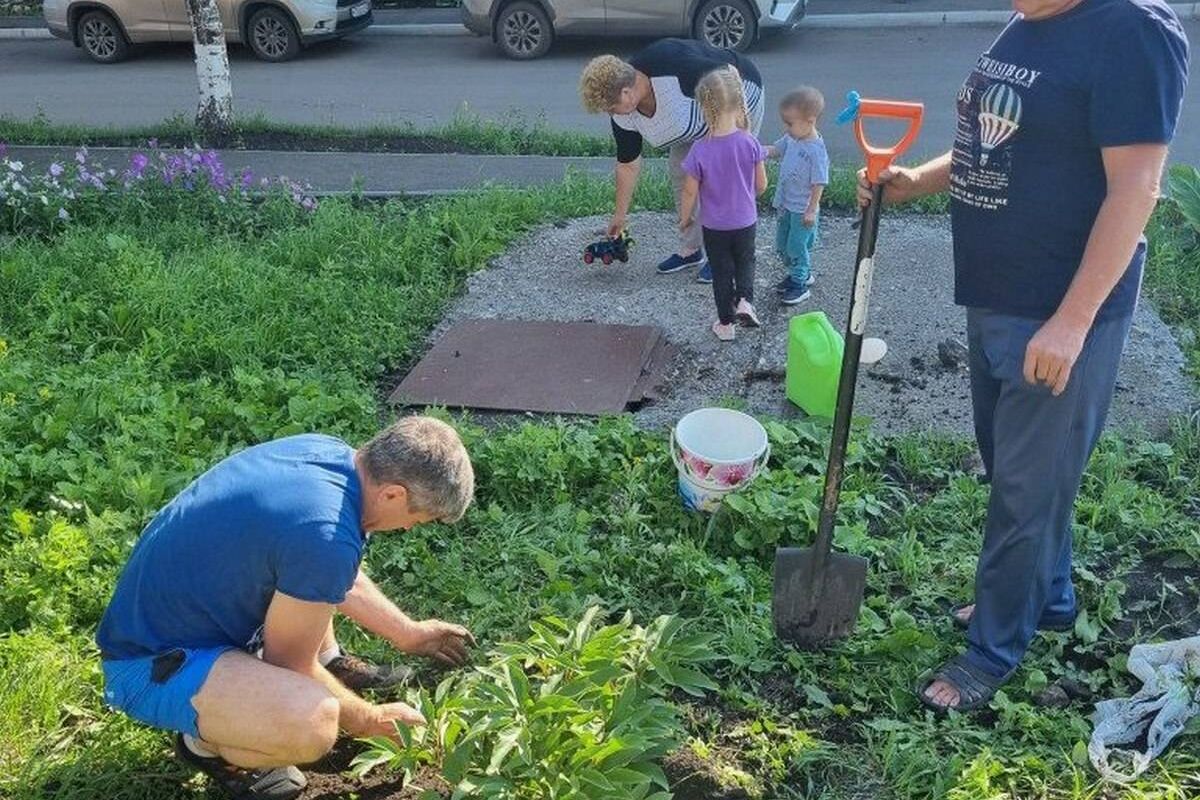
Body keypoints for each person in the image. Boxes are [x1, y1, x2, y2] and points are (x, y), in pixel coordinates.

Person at [856, 0, 1188, 713]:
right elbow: (997, 142)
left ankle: (993, 650)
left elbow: (1138, 189)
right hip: (998, 294)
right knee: (1020, 467)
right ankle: (1052, 596)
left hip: (1057, 306)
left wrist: (1072, 322)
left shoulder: (1133, 31)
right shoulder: (1030, 18)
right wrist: (919, 179)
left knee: (1023, 490)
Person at [96, 416, 477, 800]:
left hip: (172, 617)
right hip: (149, 664)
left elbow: (325, 574)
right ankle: (204, 745)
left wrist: (407, 633)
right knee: (314, 724)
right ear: (393, 494)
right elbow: (290, 661)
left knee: (314, 570)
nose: (411, 528)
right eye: (418, 518)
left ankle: (329, 661)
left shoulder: (331, 458)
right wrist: (369, 720)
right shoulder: (324, 534)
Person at [579, 39, 765, 284]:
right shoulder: (625, 116)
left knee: (723, 178)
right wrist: (619, 215)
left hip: (735, 95)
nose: (611, 114)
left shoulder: (674, 68)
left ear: (626, 92)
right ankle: (692, 249)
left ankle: (725, 256)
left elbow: (729, 75)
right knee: (681, 171)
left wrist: (740, 133)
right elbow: (628, 163)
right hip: (692, 119)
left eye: (612, 107)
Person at [678, 66, 769, 342]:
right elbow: (762, 186)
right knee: (745, 262)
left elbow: (689, 192)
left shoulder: (700, 149)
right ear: (738, 103)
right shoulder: (750, 142)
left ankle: (726, 324)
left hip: (715, 226)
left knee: (721, 271)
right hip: (745, 221)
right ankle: (745, 301)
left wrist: (685, 218)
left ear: (704, 107)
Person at [765, 86, 830, 305]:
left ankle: (800, 284)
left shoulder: (816, 150)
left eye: (790, 123)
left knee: (796, 246)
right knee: (782, 244)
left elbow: (819, 182)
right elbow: (775, 149)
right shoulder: (792, 138)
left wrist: (812, 209)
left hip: (803, 209)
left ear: (810, 120)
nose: (786, 128)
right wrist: (754, 151)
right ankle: (800, 273)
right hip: (786, 204)